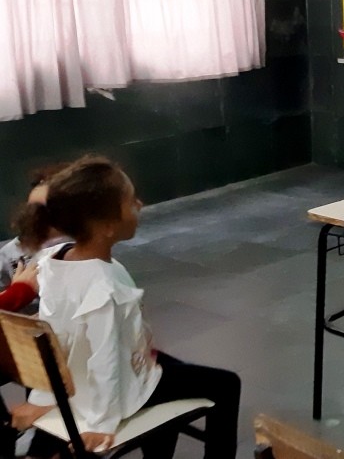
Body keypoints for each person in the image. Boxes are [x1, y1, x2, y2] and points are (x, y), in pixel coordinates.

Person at [8, 156, 240, 458]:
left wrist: (44, 398)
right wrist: (102, 424)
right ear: (107, 226)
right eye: (131, 202)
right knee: (226, 384)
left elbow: (57, 339)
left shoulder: (52, 260)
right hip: (115, 390)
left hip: (81, 380)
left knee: (170, 367)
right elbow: (105, 360)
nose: (140, 205)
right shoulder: (104, 289)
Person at [0, 163, 72, 296]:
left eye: (49, 209)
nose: (36, 216)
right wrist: (17, 292)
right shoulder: (9, 253)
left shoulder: (87, 245)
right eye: (33, 209)